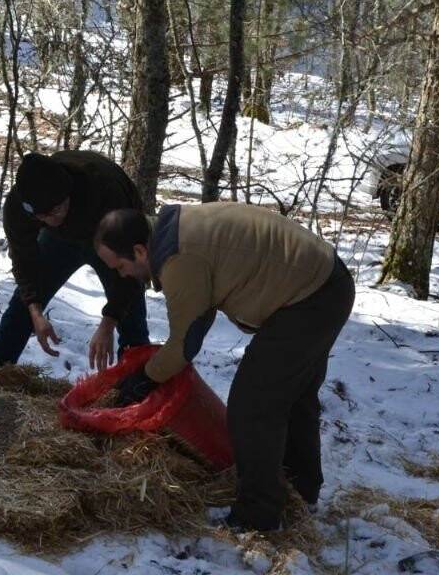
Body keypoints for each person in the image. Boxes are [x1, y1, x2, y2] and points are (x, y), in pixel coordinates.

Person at [93, 202, 355, 533]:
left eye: (120, 267)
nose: (122, 275)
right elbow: (197, 317)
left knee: (251, 406)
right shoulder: (171, 233)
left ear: (140, 250)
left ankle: (257, 516)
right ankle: (301, 492)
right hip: (325, 282)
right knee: (292, 396)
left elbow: (184, 345)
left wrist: (143, 378)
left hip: (310, 298)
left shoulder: (178, 259)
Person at [0, 151, 150, 372]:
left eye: (56, 211)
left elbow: (133, 267)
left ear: (67, 194)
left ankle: (136, 386)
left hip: (109, 234)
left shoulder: (106, 192)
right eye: (42, 217)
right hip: (59, 241)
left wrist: (108, 322)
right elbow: (24, 263)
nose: (52, 220)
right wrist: (35, 311)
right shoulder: (20, 208)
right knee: (22, 308)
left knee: (130, 317)